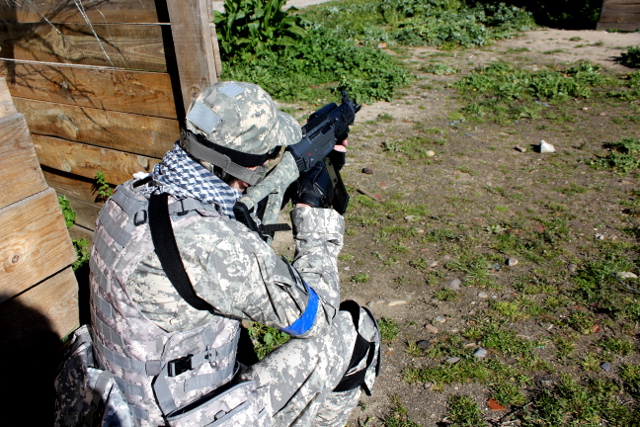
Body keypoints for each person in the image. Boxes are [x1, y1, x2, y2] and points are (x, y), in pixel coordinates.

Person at [79, 81, 380, 427]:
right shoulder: (217, 246)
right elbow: (316, 315)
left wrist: (287, 175)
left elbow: (224, 216)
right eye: (270, 155)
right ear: (248, 169)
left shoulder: (129, 196)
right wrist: (314, 216)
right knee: (355, 330)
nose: (272, 160)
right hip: (184, 417)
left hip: (130, 406)